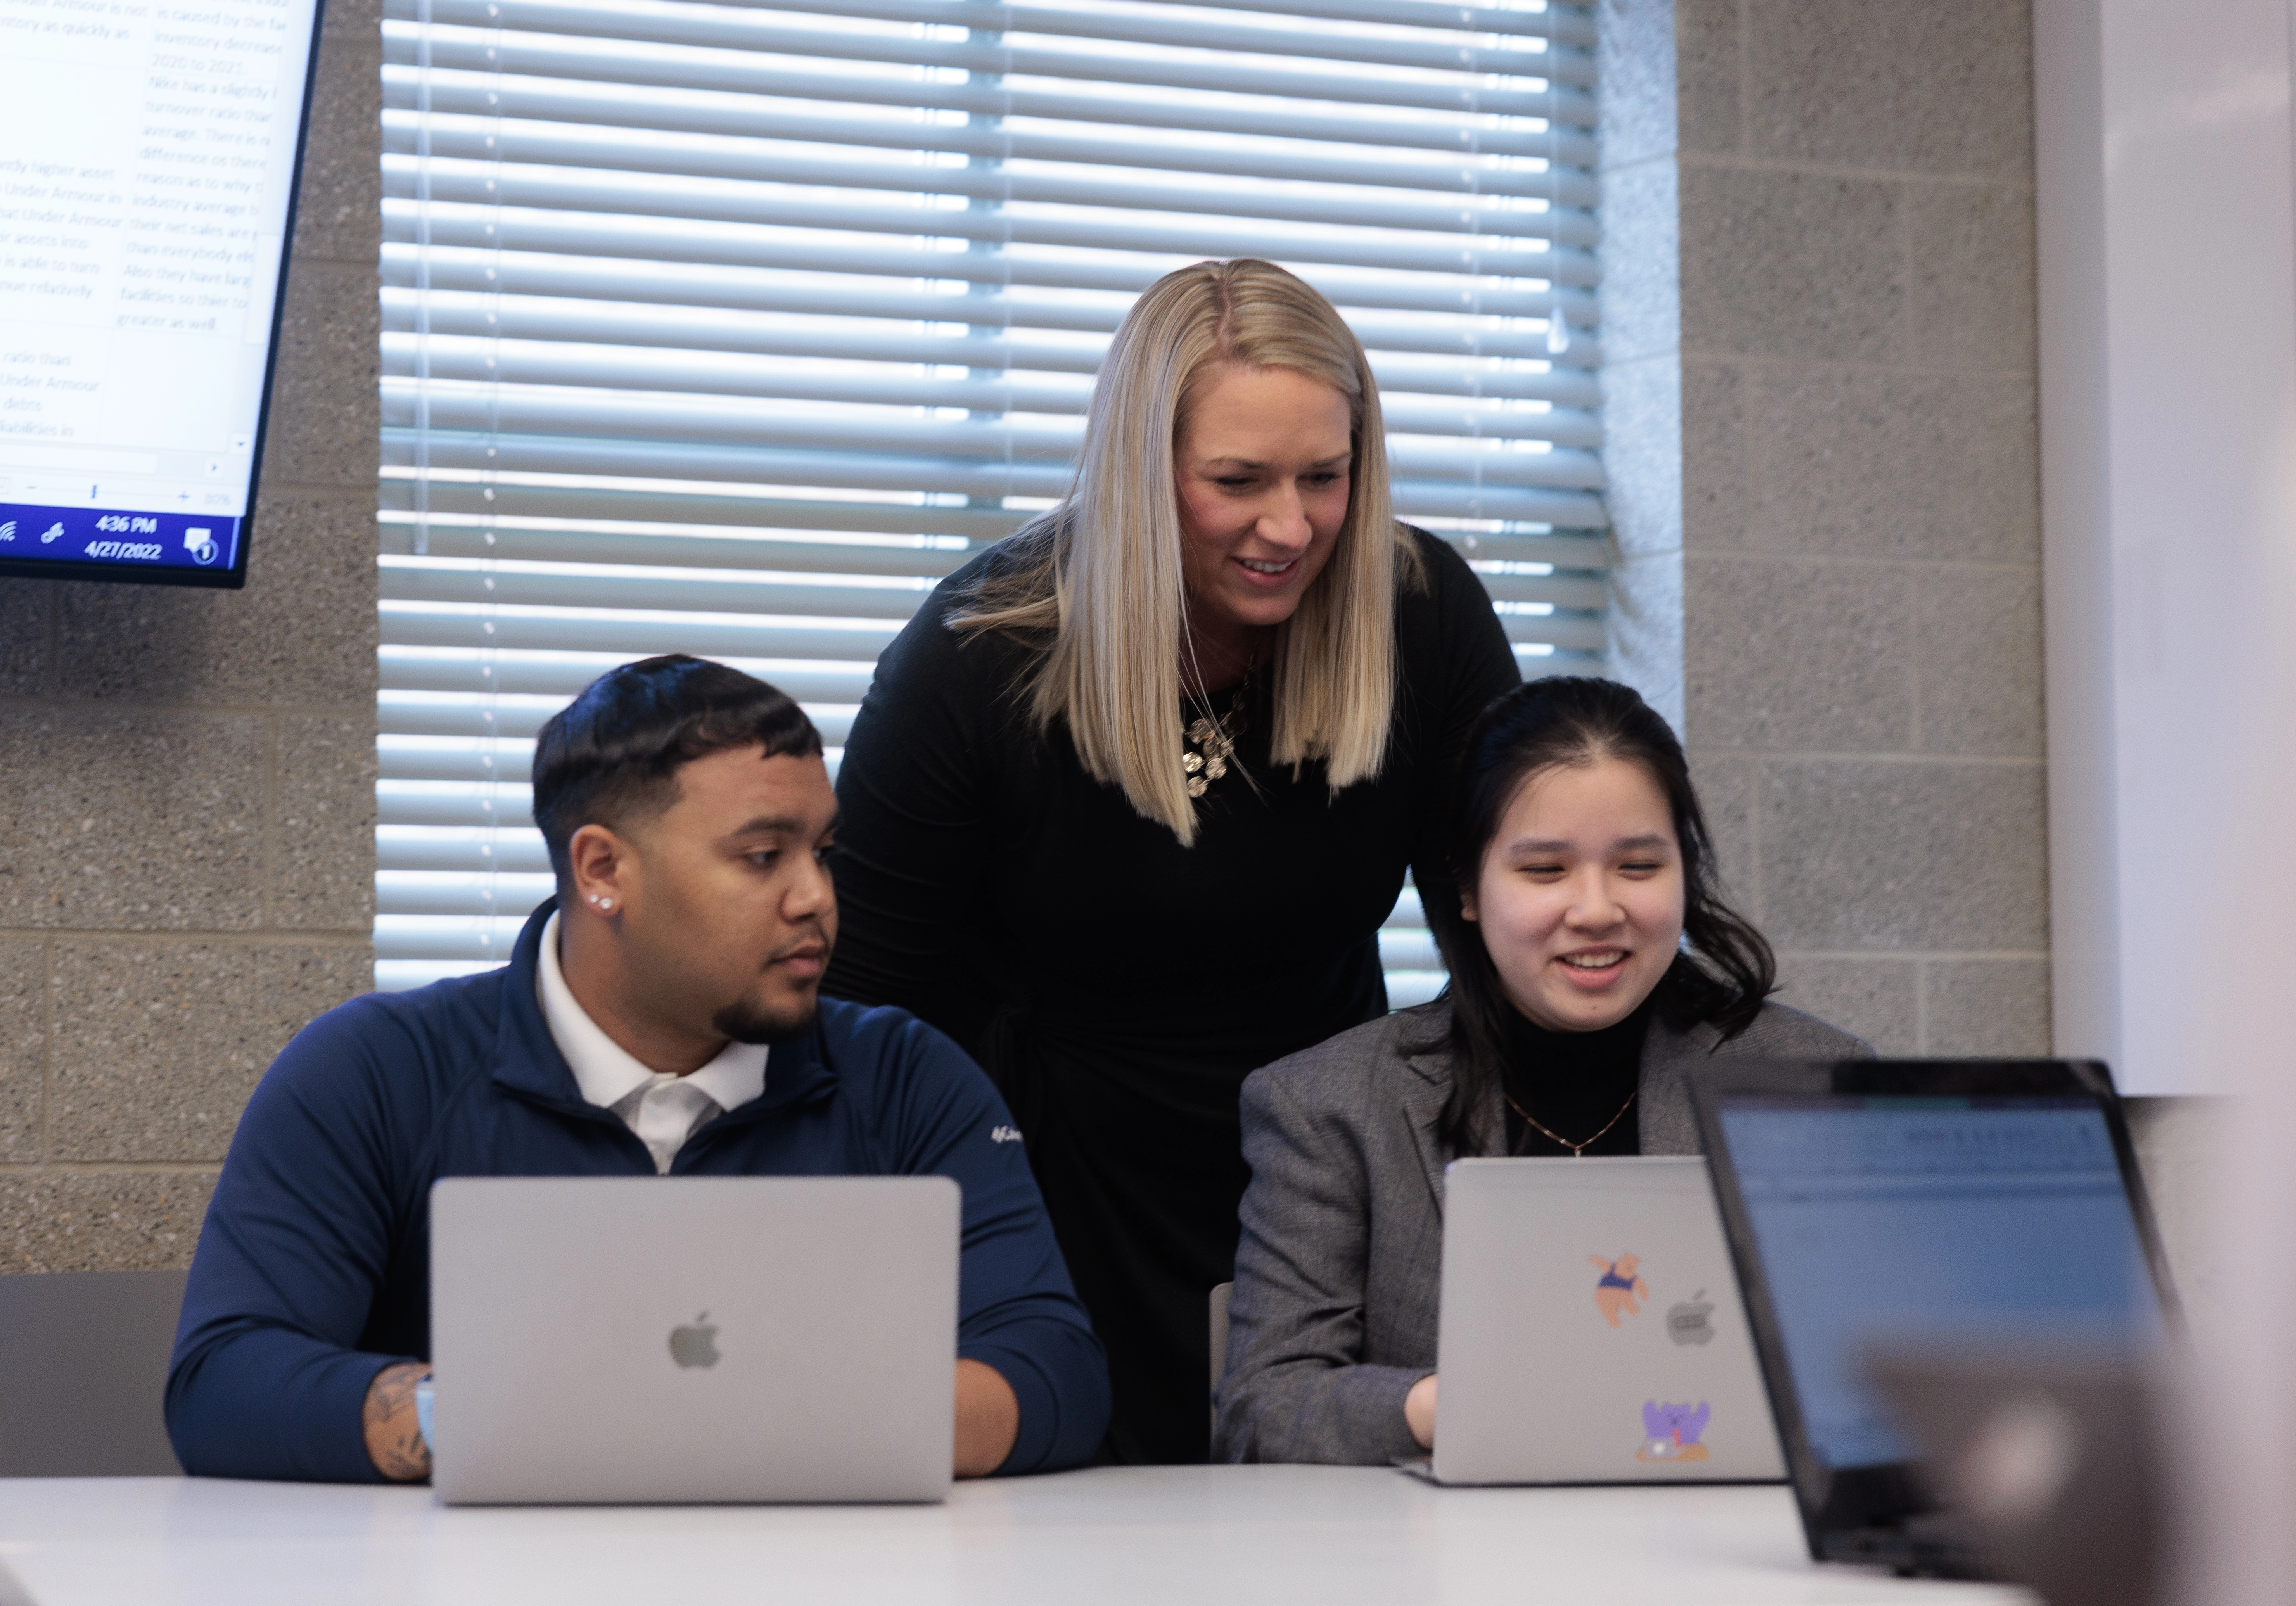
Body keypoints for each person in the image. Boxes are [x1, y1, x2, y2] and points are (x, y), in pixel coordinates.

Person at [825, 259, 1520, 1462]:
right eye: (1237, 482)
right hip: (1052, 1187)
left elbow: (1503, 916)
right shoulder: (980, 656)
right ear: (1140, 473)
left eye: (1326, 477)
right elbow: (866, 1014)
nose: (1290, 526)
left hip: (1317, 1178)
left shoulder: (1419, 608)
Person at [166, 656, 1110, 1484]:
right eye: (761, 855)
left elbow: (1052, 1367)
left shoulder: (906, 1077)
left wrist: (729, 1415)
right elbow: (226, 1380)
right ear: (601, 869)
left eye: (822, 851)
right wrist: (509, 1415)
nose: (817, 897)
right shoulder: (372, 1069)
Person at [1213, 675, 1869, 1466]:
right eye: (1544, 869)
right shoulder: (1329, 1103)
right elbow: (1262, 1407)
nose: (1595, 909)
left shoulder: (1811, 1080)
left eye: (1636, 865)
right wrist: (1460, 1402)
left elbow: (1883, 1371)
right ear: (1465, 887)